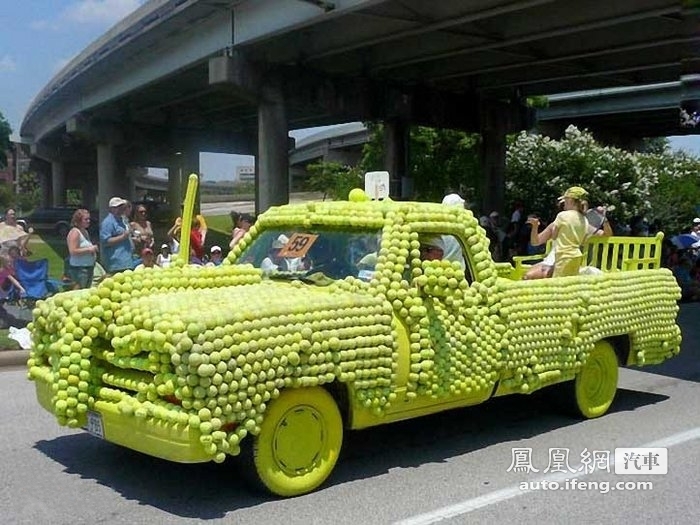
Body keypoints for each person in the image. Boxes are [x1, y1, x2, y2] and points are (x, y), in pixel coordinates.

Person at [527, 186, 589, 278]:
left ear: (570, 200)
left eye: (565, 200)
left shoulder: (562, 216)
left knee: (556, 284)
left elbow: (554, 236)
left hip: (562, 256)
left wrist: (535, 226)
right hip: (576, 256)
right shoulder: (584, 220)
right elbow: (583, 241)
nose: (563, 203)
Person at [100, 196, 134, 274]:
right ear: (111, 209)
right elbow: (106, 242)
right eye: (118, 207)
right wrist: (123, 237)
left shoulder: (122, 221)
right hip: (116, 263)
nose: (121, 208)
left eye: (122, 206)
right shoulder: (108, 222)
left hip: (127, 260)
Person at [66, 208, 98, 289]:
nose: (88, 221)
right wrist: (89, 249)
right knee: (80, 291)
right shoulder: (75, 232)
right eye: (86, 219)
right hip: (79, 269)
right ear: (79, 220)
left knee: (86, 291)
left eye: (89, 219)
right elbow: (72, 251)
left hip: (89, 267)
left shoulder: (85, 232)